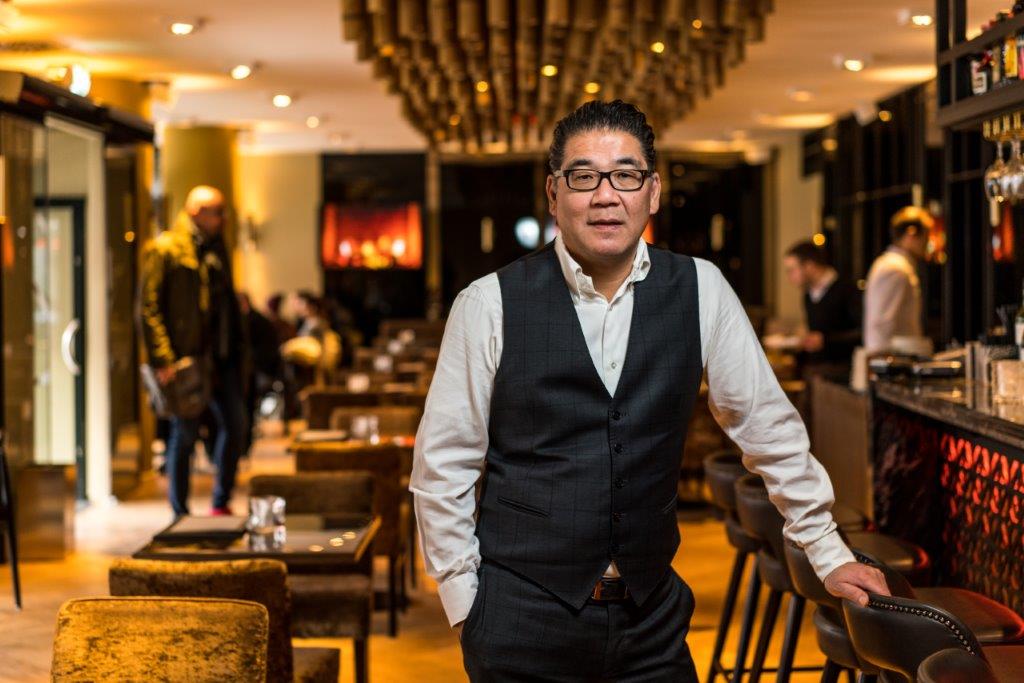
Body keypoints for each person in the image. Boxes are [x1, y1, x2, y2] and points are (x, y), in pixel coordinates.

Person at [410, 100, 888, 682]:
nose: (605, 196)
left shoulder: (702, 288)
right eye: (583, 177)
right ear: (554, 194)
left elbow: (768, 429)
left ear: (653, 192)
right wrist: (467, 606)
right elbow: (443, 466)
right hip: (519, 621)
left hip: (652, 618)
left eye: (626, 175)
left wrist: (828, 552)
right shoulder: (488, 303)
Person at [137, 185, 247, 517]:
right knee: (184, 434)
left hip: (219, 358)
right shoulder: (166, 248)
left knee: (236, 425)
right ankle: (179, 511)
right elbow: (148, 307)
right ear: (196, 212)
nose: (223, 219)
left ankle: (220, 501)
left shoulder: (216, 249)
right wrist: (163, 358)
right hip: (186, 359)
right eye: (217, 212)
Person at [783, 240, 862, 374]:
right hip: (815, 369)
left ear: (809, 265)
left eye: (792, 270)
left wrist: (825, 340)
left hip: (843, 370)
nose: (789, 277)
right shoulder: (808, 295)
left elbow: (861, 333)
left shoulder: (847, 290)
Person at [863, 206, 933, 353]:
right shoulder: (894, 268)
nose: (927, 244)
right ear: (911, 234)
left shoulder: (895, 265)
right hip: (895, 360)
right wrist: (883, 364)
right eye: (925, 237)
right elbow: (881, 326)